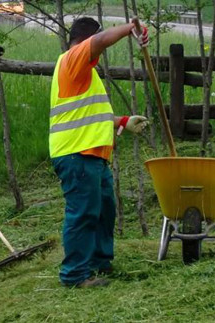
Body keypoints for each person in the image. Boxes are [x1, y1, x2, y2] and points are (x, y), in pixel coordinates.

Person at [49, 18, 149, 288]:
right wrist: (130, 29)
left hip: (92, 155)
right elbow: (101, 41)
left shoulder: (84, 72)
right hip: (76, 154)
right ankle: (74, 276)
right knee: (82, 213)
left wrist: (122, 121)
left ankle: (99, 263)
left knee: (104, 209)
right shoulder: (73, 58)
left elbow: (89, 113)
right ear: (87, 38)